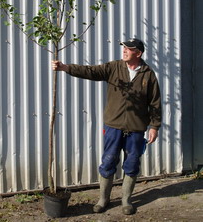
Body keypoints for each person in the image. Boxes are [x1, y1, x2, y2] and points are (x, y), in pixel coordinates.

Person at [52, 38, 162, 215]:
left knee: (132, 163)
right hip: (113, 126)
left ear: (138, 53)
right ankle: (103, 199)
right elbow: (91, 71)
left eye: (129, 49)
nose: (124, 50)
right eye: (124, 48)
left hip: (136, 128)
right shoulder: (114, 67)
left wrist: (154, 126)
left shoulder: (148, 75)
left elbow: (155, 103)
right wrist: (66, 67)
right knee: (108, 161)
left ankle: (126, 200)